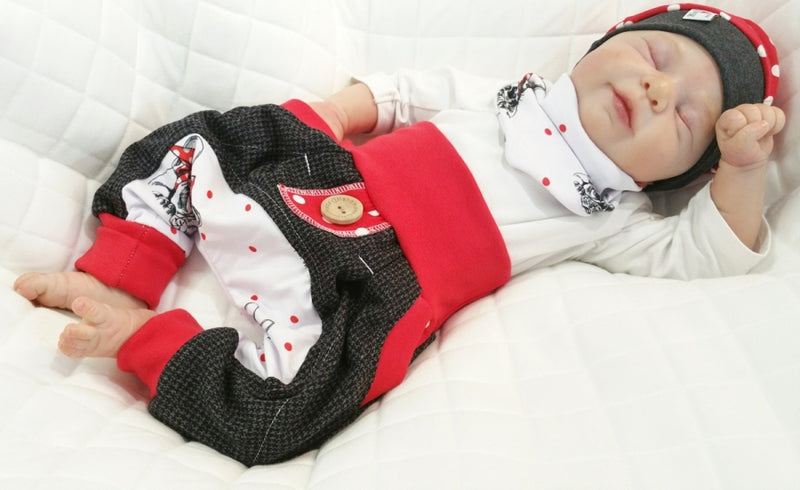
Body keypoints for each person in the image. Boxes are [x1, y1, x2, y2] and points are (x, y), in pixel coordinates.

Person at [13, 4, 785, 465]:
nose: (657, 89)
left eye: (688, 117)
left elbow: (711, 250)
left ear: (676, 175)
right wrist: (326, 119)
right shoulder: (506, 97)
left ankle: (148, 342)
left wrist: (744, 167)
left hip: (377, 283)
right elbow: (400, 95)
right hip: (328, 179)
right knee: (203, 143)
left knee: (289, 412)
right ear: (603, 46)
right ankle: (122, 270)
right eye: (655, 54)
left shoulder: (613, 217)